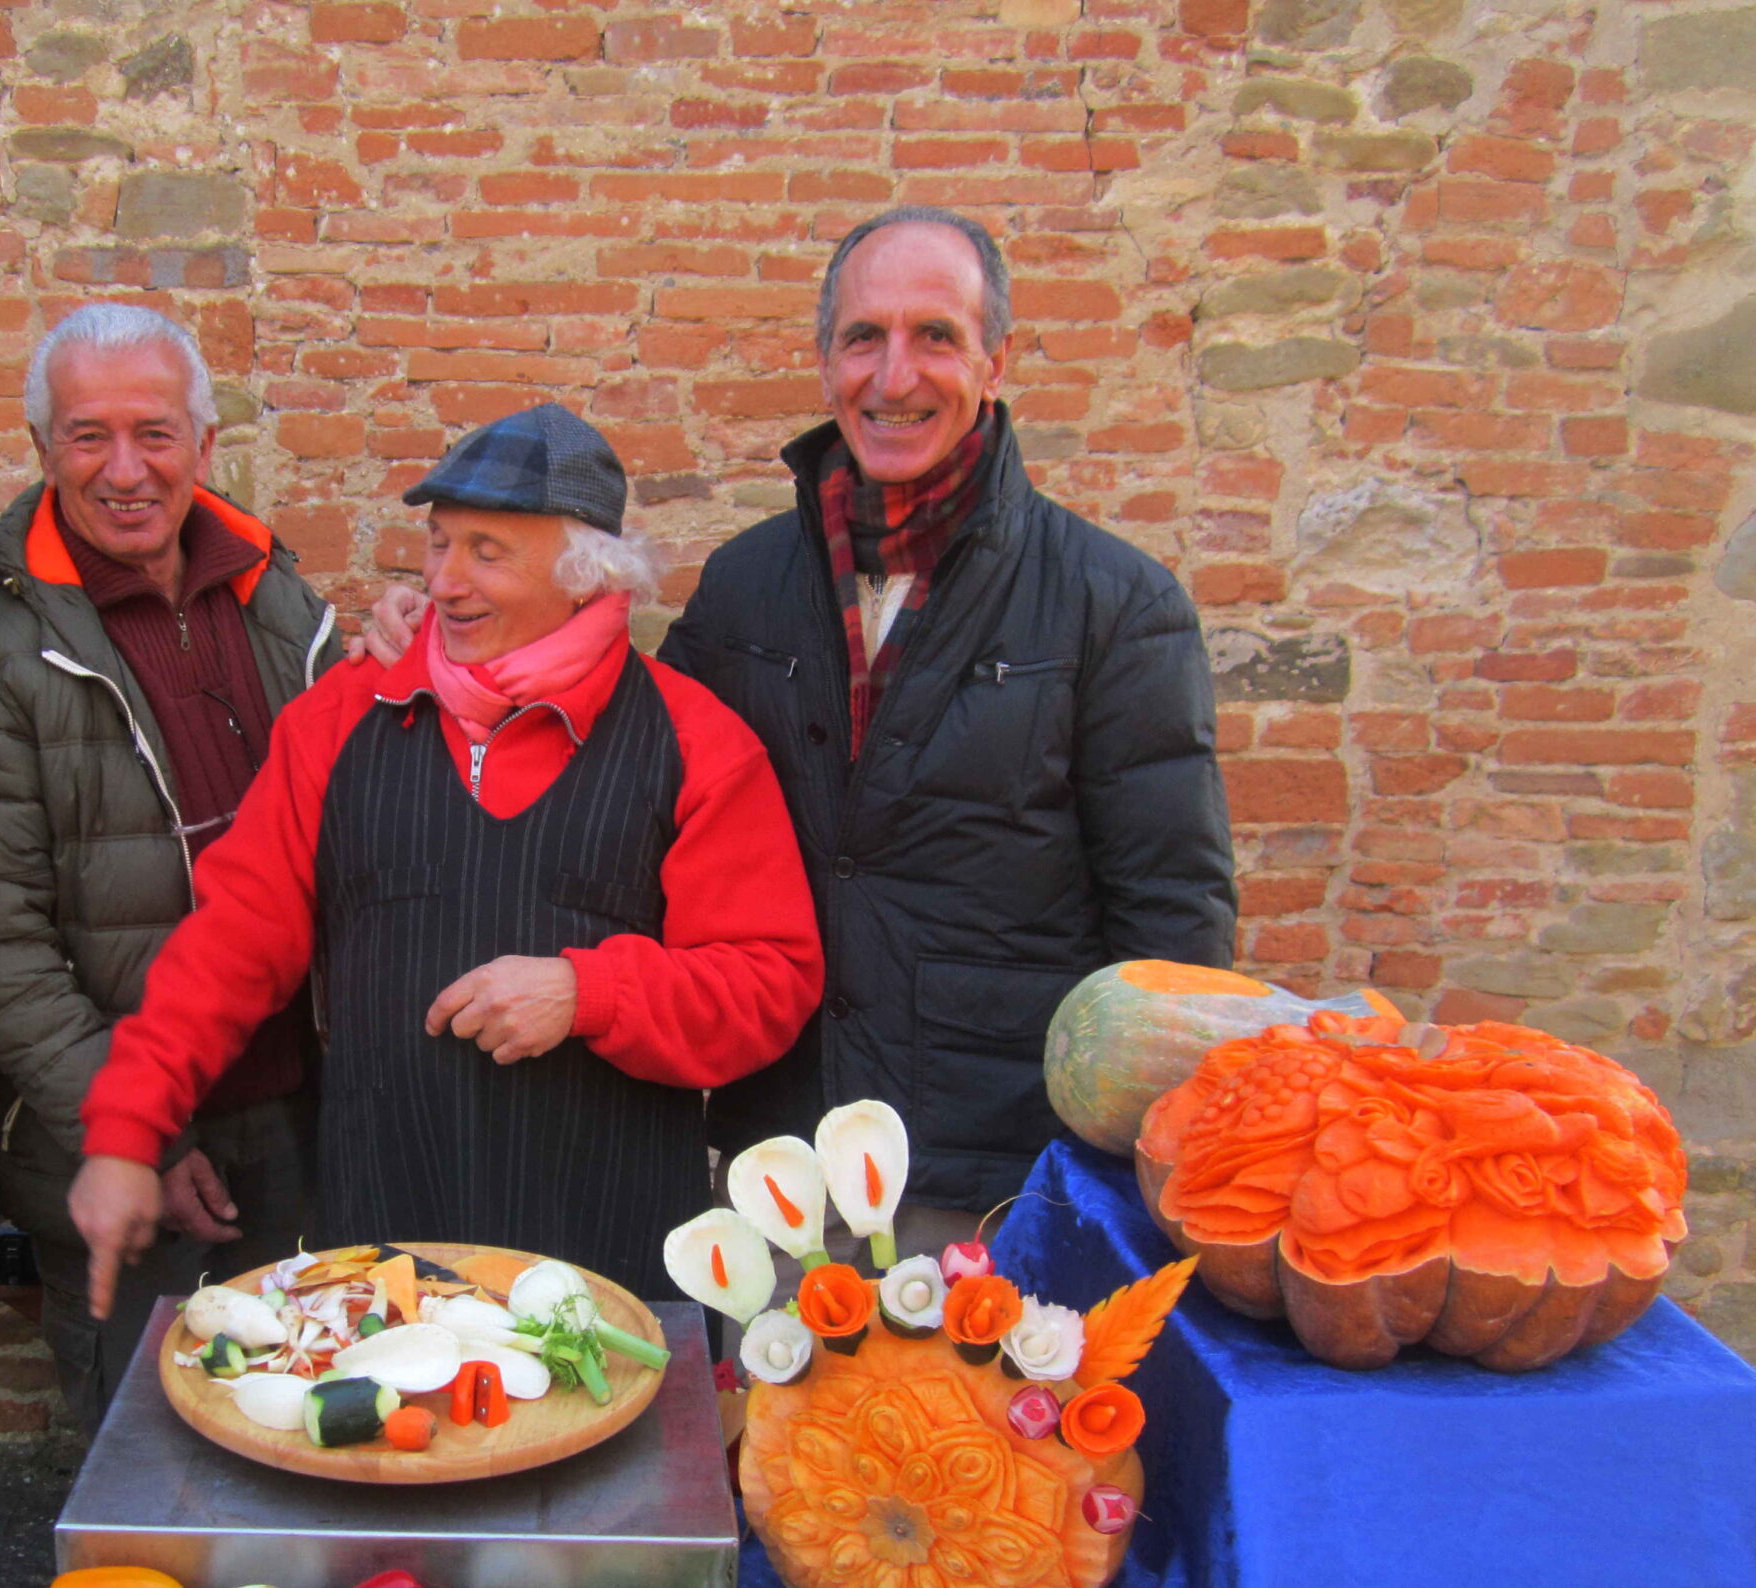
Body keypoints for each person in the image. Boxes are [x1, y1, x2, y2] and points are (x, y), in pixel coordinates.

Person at [370, 209, 1237, 1254]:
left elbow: (1172, 932)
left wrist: (1135, 1183)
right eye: (863, 337)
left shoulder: (1114, 605)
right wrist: (451, 651)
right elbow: (609, 757)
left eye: (935, 336)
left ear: (995, 359)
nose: (894, 374)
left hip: (999, 1178)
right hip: (781, 1163)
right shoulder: (748, 586)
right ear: (825, 363)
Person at [67, 404, 823, 1308]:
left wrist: (591, 994)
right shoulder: (339, 720)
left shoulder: (696, 741)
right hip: (386, 1253)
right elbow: (229, 947)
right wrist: (124, 1133)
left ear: (585, 577)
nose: (445, 581)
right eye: (438, 542)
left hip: (613, 1260)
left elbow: (769, 983)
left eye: (487, 551)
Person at [0, 305, 335, 1431]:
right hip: (129, 1126)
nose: (126, 471)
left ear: (205, 447)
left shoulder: (276, 595)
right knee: (150, 1456)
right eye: (87, 436)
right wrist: (141, 1136)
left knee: (310, 1428)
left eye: (155, 434)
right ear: (41, 450)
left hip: (298, 1112)